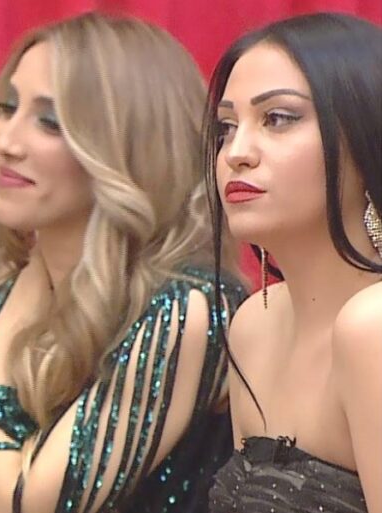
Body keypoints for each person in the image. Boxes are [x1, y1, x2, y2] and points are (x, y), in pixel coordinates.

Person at [0, 12, 247, 513]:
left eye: (50, 122)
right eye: (8, 108)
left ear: (126, 148)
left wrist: (1, 355)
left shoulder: (189, 307)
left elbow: (28, 506)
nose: (6, 141)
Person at [205, 13, 382, 513]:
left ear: (366, 137)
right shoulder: (254, 323)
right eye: (226, 127)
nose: (236, 153)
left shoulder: (373, 326)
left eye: (278, 118)